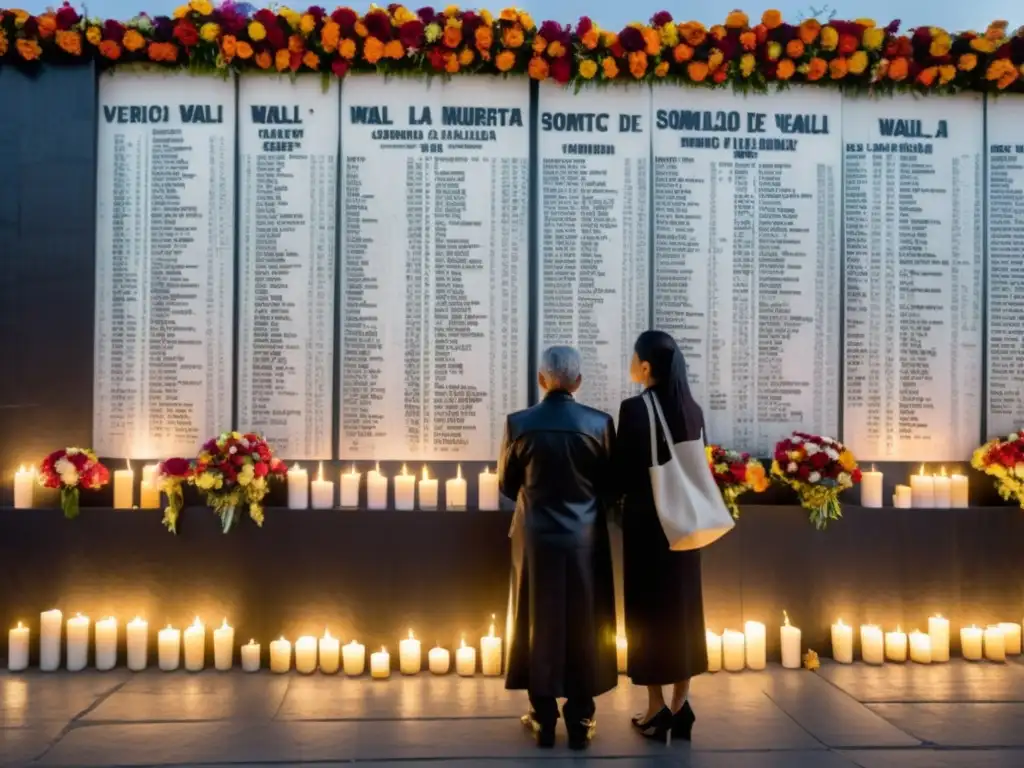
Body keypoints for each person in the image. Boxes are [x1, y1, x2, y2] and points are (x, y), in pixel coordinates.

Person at [499, 345, 619, 751]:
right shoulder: (600, 424)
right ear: (579, 382)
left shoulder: (519, 423)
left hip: (536, 540)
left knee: (537, 621)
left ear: (540, 378)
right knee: (587, 621)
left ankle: (543, 716)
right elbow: (610, 487)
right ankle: (582, 718)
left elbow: (506, 485)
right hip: (585, 539)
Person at [612, 330, 708, 743]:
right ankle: (681, 703)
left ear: (646, 366)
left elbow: (621, 474)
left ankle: (654, 709)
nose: (631, 364)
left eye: (634, 358)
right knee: (684, 610)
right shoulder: (693, 408)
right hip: (688, 525)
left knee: (649, 615)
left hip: (649, 527)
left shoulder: (635, 409)